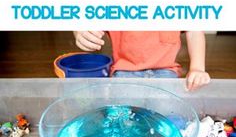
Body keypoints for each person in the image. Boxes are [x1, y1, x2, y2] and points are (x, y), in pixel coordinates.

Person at [73, 31, 210, 91]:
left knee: (168, 114)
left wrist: (197, 68)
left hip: (166, 71)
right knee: (119, 117)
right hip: (125, 71)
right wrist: (80, 31)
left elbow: (194, 31)